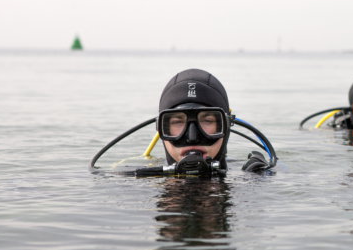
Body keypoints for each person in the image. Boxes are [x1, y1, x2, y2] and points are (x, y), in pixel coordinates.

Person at [90, 68, 276, 177]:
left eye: (208, 120)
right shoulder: (134, 177)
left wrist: (262, 176)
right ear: (162, 129)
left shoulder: (250, 174)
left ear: (226, 127)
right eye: (178, 122)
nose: (192, 137)